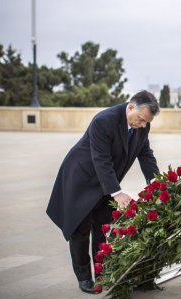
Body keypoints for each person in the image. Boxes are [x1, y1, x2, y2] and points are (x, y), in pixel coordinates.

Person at [46, 90, 160, 293]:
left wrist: (156, 182)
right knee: (80, 230)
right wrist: (117, 192)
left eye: (146, 122)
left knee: (102, 227)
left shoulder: (143, 124)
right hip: (81, 178)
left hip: (104, 180)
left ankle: (102, 273)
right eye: (141, 120)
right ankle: (84, 278)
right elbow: (101, 159)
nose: (143, 125)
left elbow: (146, 154)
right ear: (131, 107)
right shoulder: (104, 120)